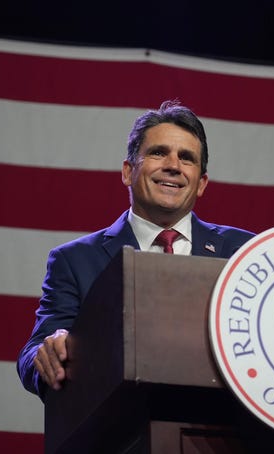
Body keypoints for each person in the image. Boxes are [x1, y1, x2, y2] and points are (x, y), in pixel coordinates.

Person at [17, 100, 255, 398]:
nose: (173, 166)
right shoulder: (74, 260)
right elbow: (33, 355)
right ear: (128, 172)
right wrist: (51, 351)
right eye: (158, 153)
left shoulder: (243, 253)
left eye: (186, 158)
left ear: (201, 183)